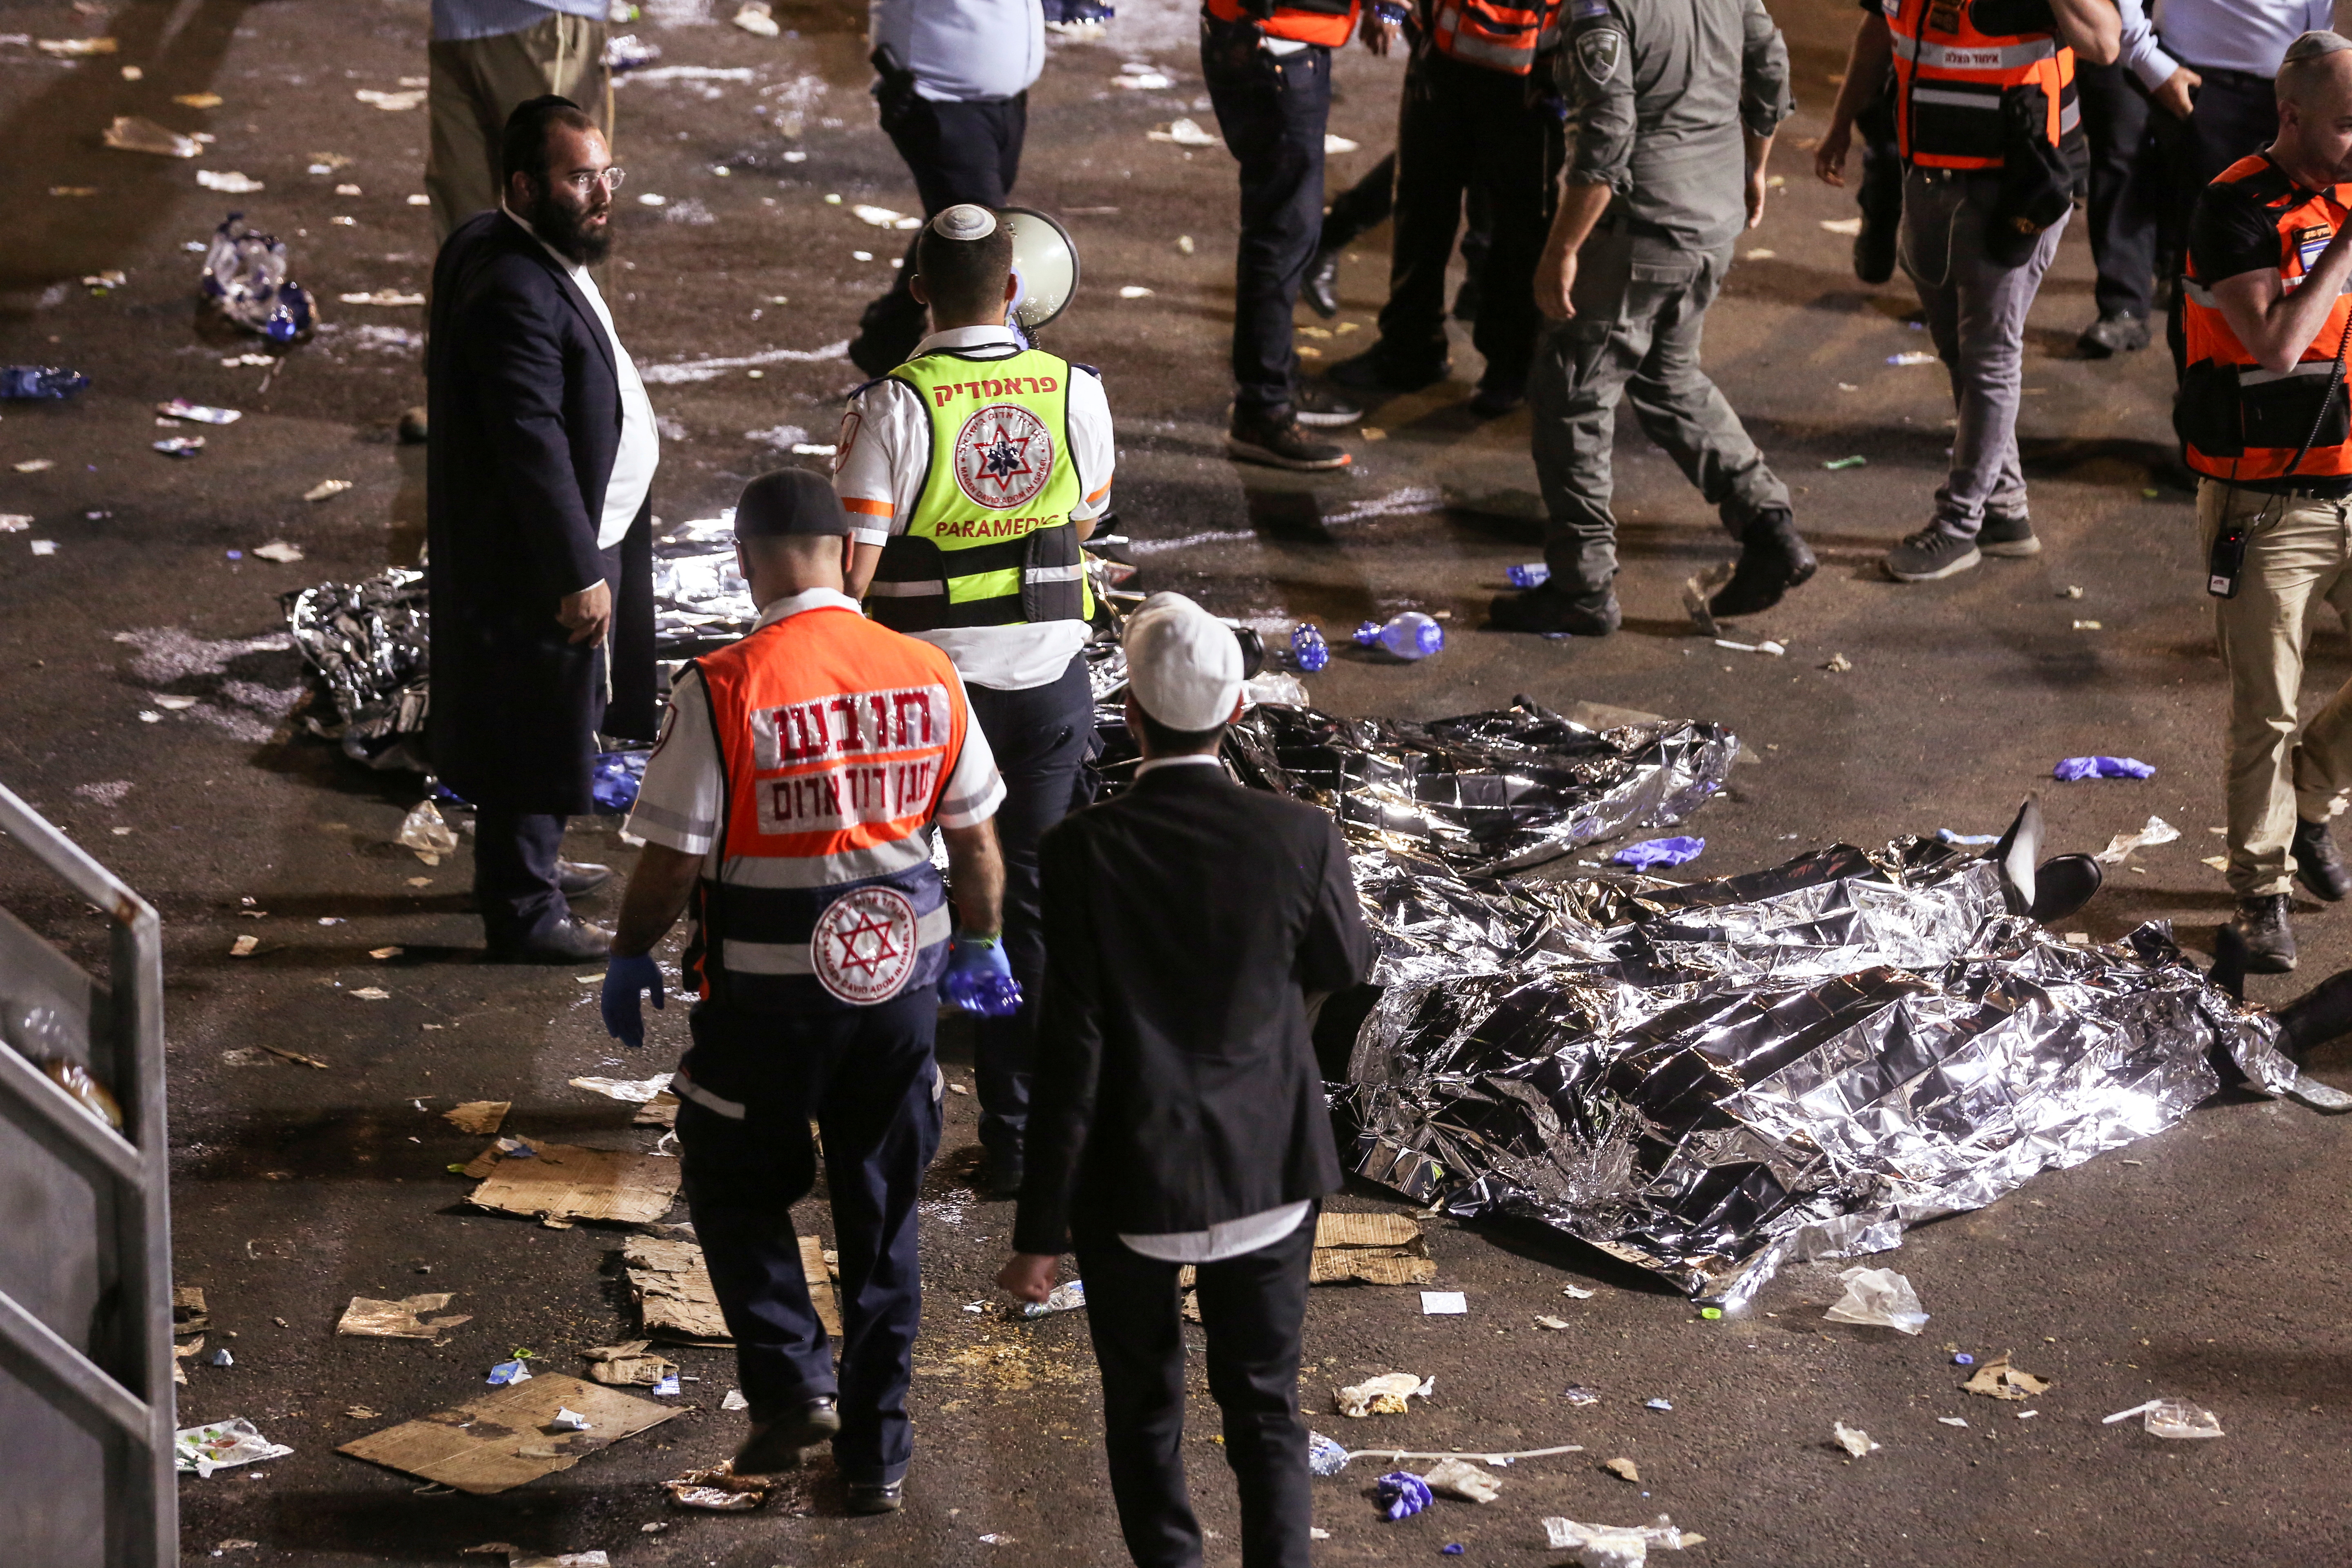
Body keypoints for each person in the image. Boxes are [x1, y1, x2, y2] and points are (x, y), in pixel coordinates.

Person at [599, 468, 1012, 1514]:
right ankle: (876, 1458)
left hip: (767, 1004)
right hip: (899, 995)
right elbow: (973, 840)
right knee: (881, 1215)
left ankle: (792, 1384)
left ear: (745, 560)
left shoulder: (723, 685)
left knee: (734, 1178)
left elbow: (673, 860)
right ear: (846, 554)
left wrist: (630, 949)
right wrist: (982, 942)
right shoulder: (927, 670)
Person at [997, 591, 1374, 1568]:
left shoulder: (1078, 850)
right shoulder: (1301, 835)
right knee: (1266, 1407)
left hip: (1132, 1179)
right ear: (1236, 712)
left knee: (1143, 1407)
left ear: (1131, 715)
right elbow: (1344, 964)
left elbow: (1069, 1049)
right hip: (1269, 1167)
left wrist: (1039, 1234)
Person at [836, 205, 1114, 1199]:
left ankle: (884, 1127)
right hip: (1045, 689)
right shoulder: (1074, 390)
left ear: (918, 291)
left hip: (926, 701)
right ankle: (1018, 1140)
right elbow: (1086, 518)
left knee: (902, 896)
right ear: (1014, 289)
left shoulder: (890, 406)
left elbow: (853, 572)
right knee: (1021, 914)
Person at [1487, 0, 1815, 635]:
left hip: (1643, 226)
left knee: (1572, 392)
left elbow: (1608, 133)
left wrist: (1562, 249)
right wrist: (1754, 166)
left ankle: (1582, 587)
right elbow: (1771, 67)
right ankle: (1769, 526)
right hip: (1711, 215)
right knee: (1670, 377)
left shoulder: (1602, 8)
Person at [426, 96, 657, 962]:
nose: (602, 194)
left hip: (578, 530)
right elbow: (531, 441)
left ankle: (532, 863)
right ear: (525, 186)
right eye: (579, 178)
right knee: (535, 713)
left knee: (560, 708)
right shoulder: (515, 289)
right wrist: (575, 569)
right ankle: (523, 906)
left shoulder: (504, 245)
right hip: (543, 551)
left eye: (606, 173)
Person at [1815, 0, 2121, 584]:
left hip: (2017, 187)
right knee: (1959, 350)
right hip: (1928, 175)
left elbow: (2105, 44)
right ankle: (2004, 513)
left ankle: (1959, 525)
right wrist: (1840, 124)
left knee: (1987, 356)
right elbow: (1878, 31)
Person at [2176, 29, 2352, 972]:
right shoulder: (2234, 206)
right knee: (2265, 711)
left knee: (2291, 732)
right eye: (2348, 126)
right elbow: (2275, 346)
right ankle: (2260, 893)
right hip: (2267, 507)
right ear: (2290, 115)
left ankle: (2309, 800)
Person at [1324, 0, 1566, 417]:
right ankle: (1411, 351)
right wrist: (1388, 12)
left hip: (1531, 81)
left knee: (1516, 229)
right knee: (1422, 209)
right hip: (1442, 62)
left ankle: (1510, 368)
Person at [1200, 0, 1392, 469]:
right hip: (1278, 45)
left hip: (1272, 39)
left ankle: (1275, 383)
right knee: (1282, 234)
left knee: (1283, 230)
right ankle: (1263, 410)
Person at [845, 0, 1045, 378]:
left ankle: (887, 335)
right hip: (938, 98)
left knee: (958, 221)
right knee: (978, 243)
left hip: (1005, 98)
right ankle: (984, 378)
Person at [2149, 0, 2339, 365]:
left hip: (2303, 83)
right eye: (2348, 127)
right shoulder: (2223, 206)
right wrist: (2146, 59)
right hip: (2200, 83)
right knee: (2205, 251)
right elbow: (2279, 352)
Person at [2071, 0, 2194, 356]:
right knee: (2120, 159)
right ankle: (2124, 309)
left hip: (2203, 34)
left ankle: (2175, 269)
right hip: (2116, 29)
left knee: (2189, 155)